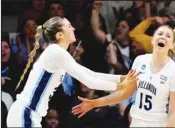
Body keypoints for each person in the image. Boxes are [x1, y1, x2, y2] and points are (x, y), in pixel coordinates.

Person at [6, 16, 136, 127]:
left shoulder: (58, 53)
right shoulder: (55, 51)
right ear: (59, 35)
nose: (73, 28)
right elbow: (89, 81)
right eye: (69, 26)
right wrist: (121, 86)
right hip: (26, 114)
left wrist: (123, 78)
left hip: (27, 114)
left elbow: (92, 74)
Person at [72, 18, 175, 127]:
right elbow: (125, 93)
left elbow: (173, 112)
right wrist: (96, 102)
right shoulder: (140, 61)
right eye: (160, 34)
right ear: (153, 40)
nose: (163, 37)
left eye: (168, 36)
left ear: (172, 45)